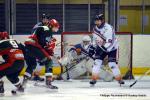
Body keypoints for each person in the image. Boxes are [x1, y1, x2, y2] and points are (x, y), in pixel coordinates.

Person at [22, 19, 59, 89]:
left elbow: (40, 40)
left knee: (32, 65)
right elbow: (42, 43)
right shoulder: (47, 29)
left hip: (27, 47)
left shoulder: (42, 28)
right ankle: (48, 82)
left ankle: (24, 83)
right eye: (55, 27)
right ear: (51, 25)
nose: (56, 29)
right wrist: (48, 48)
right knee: (49, 61)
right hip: (34, 46)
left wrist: (47, 50)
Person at [90, 14, 124, 86]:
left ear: (102, 21)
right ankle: (94, 79)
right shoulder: (95, 29)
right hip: (102, 46)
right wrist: (92, 47)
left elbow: (110, 42)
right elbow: (95, 39)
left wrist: (104, 50)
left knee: (112, 64)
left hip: (112, 47)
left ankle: (119, 79)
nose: (96, 22)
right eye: (95, 21)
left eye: (98, 21)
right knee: (97, 62)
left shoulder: (109, 28)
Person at [31, 14, 51, 82]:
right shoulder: (39, 25)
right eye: (44, 19)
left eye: (46, 19)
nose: (45, 20)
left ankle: (36, 75)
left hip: (41, 45)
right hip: (36, 45)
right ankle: (34, 75)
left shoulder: (48, 26)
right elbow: (33, 34)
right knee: (40, 61)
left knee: (41, 61)